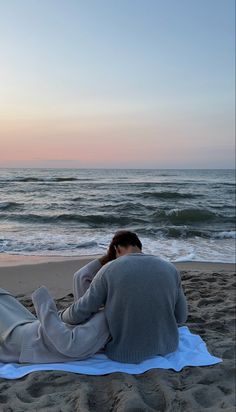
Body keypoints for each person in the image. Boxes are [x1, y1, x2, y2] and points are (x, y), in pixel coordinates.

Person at [60, 230, 188, 364]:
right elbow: (181, 317)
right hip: (167, 346)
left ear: (117, 248)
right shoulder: (170, 268)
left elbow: (79, 312)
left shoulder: (109, 270)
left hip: (124, 353)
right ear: (139, 246)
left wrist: (61, 315)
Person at [0, 252, 115, 364]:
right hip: (34, 330)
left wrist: (44, 304)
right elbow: (81, 277)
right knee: (3, 296)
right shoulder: (105, 310)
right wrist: (110, 256)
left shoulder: (106, 318)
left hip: (28, 341)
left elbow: (70, 345)